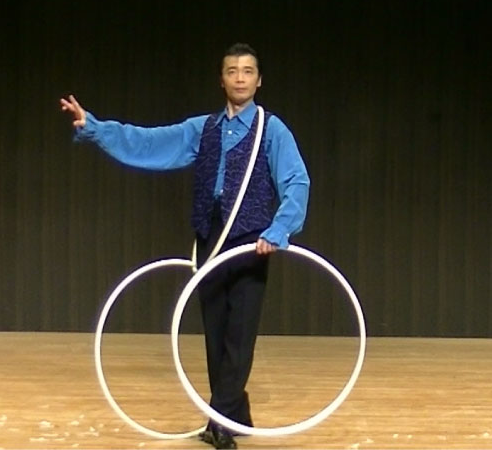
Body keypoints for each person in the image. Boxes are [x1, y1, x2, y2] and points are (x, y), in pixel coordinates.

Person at [60, 43, 310, 449]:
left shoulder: (272, 129)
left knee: (239, 334)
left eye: (248, 71)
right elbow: (150, 143)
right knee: (216, 334)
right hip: (210, 239)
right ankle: (234, 412)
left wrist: (277, 230)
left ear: (259, 80)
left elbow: (296, 181)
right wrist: (94, 127)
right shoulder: (204, 128)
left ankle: (220, 422)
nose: (240, 78)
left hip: (250, 243)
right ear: (222, 79)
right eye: (232, 71)